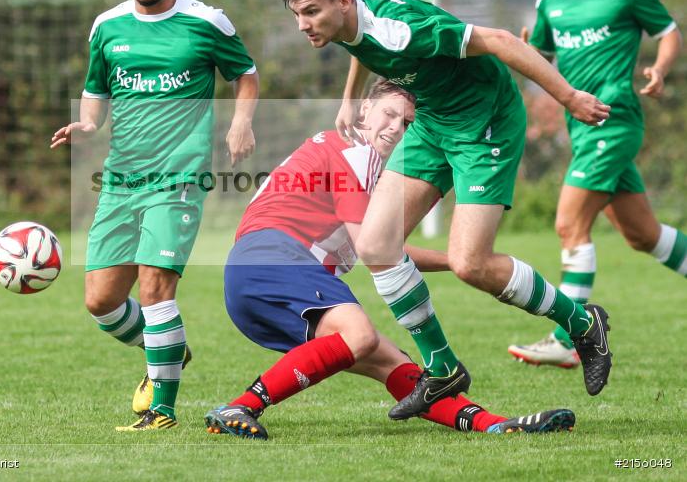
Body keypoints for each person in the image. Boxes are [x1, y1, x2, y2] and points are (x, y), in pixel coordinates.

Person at [277, 0, 613, 421]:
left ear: (344, 2)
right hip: (433, 120)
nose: (303, 25)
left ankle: (583, 322)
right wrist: (351, 96)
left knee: (470, 263)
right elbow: (359, 44)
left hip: (484, 121)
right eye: (297, 15)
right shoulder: (348, 20)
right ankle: (443, 368)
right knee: (376, 244)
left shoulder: (400, 28)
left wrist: (569, 97)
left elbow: (498, 41)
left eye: (311, 13)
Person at [205, 79, 575, 440]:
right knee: (360, 335)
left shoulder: (347, 151)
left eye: (407, 122)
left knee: (389, 361)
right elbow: (373, 248)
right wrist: (463, 260)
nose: (396, 127)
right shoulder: (354, 151)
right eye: (389, 114)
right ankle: (242, 406)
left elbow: (382, 247)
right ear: (364, 108)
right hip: (274, 259)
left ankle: (492, 425)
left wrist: (462, 259)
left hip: (252, 278)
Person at [50, 0, 259, 431]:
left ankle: (161, 410)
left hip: (179, 176)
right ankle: (170, 350)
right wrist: (88, 123)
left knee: (155, 288)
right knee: (101, 300)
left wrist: (240, 121)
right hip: (121, 179)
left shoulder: (206, 22)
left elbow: (246, 74)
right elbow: (97, 89)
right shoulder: (108, 26)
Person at [509, 0, 683, 367]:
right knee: (643, 235)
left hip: (616, 119)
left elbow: (668, 32)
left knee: (569, 224)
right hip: (580, 130)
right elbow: (541, 61)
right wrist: (527, 53)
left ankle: (569, 339)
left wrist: (661, 69)